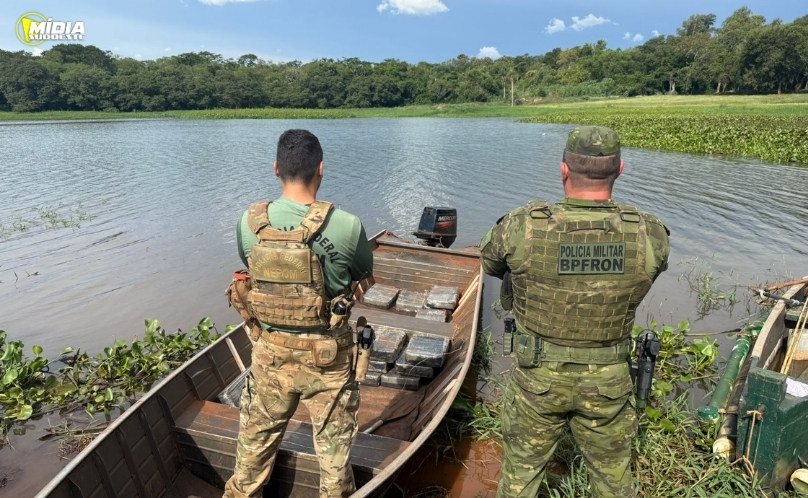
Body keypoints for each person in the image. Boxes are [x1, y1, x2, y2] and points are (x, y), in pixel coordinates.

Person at [480, 126, 670, 498]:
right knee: (614, 484)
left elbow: (489, 262)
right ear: (620, 169)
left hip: (537, 378)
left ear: (563, 170)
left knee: (519, 479)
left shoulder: (522, 225)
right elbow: (651, 270)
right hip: (608, 381)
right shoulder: (649, 233)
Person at [223, 129, 374, 498]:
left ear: (276, 168)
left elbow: (252, 269)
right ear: (321, 169)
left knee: (251, 456)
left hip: (269, 355)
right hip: (328, 361)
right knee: (334, 462)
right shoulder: (348, 225)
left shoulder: (249, 222)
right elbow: (363, 275)